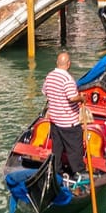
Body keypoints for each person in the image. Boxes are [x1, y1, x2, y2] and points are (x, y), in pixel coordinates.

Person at [41, 53, 88, 185]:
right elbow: (72, 97)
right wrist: (82, 98)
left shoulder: (49, 76)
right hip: (69, 122)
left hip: (55, 121)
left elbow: (45, 92)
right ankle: (78, 172)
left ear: (57, 63)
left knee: (57, 148)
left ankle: (57, 171)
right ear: (68, 64)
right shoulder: (67, 79)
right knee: (74, 149)